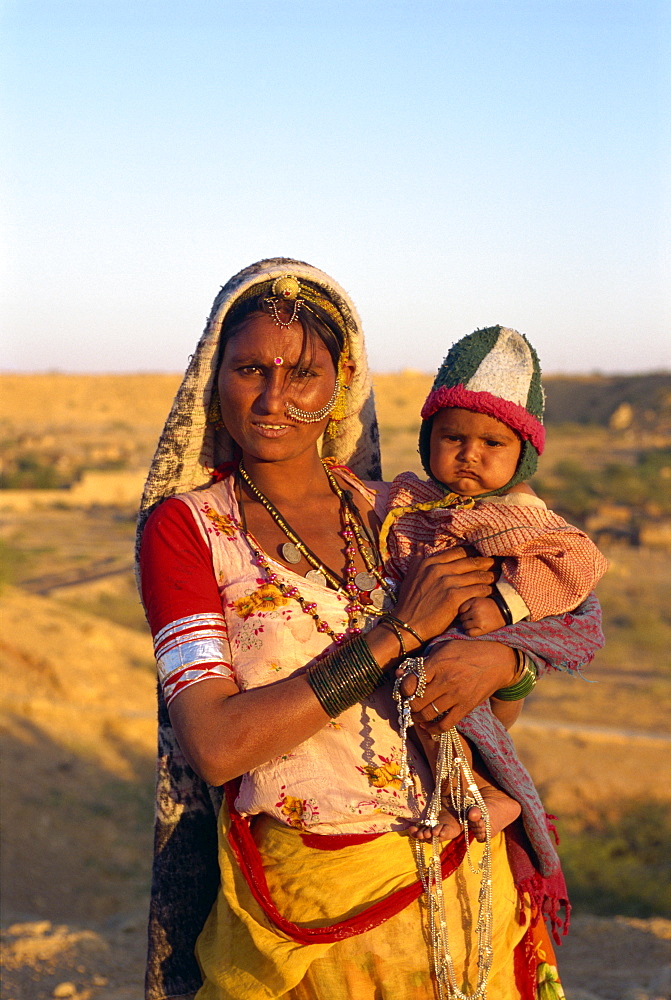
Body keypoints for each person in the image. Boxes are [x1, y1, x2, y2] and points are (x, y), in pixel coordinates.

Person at [137, 259, 605, 1000]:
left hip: (463, 882)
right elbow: (219, 748)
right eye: (250, 367)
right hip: (313, 900)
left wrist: (500, 668)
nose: (272, 398)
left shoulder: (403, 515)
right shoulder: (189, 530)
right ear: (213, 377)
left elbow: (484, 709)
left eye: (302, 375)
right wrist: (394, 634)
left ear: (341, 382)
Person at [380, 326, 608, 844]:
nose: (470, 454)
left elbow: (577, 563)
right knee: (426, 706)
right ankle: (474, 794)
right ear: (428, 440)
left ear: (521, 455)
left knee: (425, 695)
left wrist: (505, 606)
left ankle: (483, 795)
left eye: (493, 443)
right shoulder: (422, 499)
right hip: (441, 638)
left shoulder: (515, 513)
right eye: (453, 438)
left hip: (487, 645)